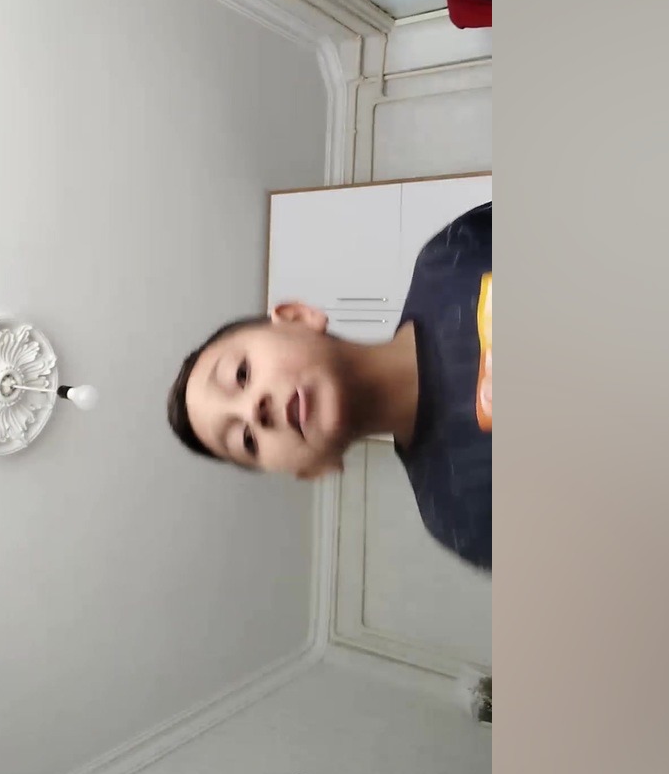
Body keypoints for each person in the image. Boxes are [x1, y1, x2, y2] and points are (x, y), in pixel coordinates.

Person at [165, 202, 493, 569]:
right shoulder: (456, 515)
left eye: (241, 374)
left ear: (297, 317)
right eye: (247, 440)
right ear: (314, 470)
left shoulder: (450, 257)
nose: (253, 412)